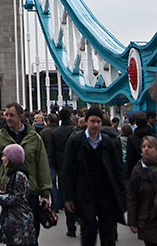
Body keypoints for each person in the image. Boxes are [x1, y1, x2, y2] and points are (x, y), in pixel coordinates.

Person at [0, 101, 51, 241]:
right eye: (6, 115)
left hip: (31, 194)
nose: (8, 118)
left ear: (21, 116)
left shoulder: (34, 138)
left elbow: (42, 165)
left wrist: (45, 193)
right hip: (10, 196)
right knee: (12, 237)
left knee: (32, 236)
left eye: (11, 115)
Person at [62, 105, 126, 246]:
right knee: (88, 231)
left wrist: (122, 195)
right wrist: (68, 197)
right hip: (84, 194)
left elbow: (118, 169)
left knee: (108, 232)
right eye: (92, 121)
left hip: (106, 194)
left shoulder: (109, 142)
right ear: (86, 122)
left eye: (98, 121)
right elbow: (66, 171)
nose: (95, 125)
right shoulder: (75, 141)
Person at [0, 143, 37, 246]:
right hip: (15, 220)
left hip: (19, 221)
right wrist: (3, 194)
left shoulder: (18, 175)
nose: (3, 159)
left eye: (5, 156)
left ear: (11, 159)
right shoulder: (13, 173)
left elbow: (17, 198)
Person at [127, 135, 157, 246]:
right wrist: (132, 221)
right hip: (147, 218)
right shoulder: (138, 170)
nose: (146, 149)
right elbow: (132, 197)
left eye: (150, 146)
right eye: (144, 146)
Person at [53, 108, 78, 237]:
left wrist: (56, 167)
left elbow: (52, 152)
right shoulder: (76, 132)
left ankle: (71, 226)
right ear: (69, 117)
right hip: (76, 167)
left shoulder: (55, 132)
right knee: (79, 194)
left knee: (67, 195)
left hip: (62, 167)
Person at [127, 113, 155, 177]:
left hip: (137, 173)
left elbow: (130, 159)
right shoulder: (153, 137)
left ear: (136, 123)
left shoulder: (132, 138)